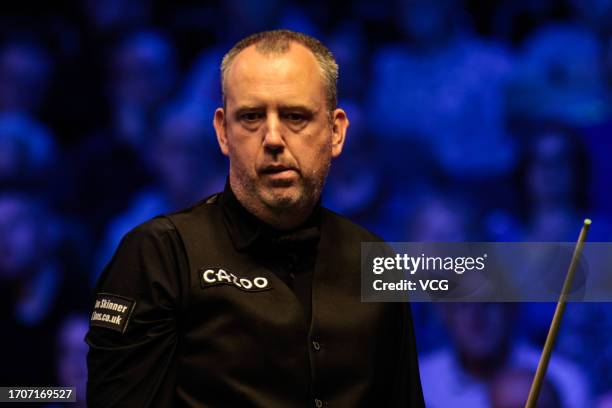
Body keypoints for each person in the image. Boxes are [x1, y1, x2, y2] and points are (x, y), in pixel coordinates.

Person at [86, 29, 424, 407]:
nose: (274, 138)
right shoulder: (158, 254)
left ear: (336, 132)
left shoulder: (374, 258)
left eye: (296, 116)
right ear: (223, 132)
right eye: (251, 117)